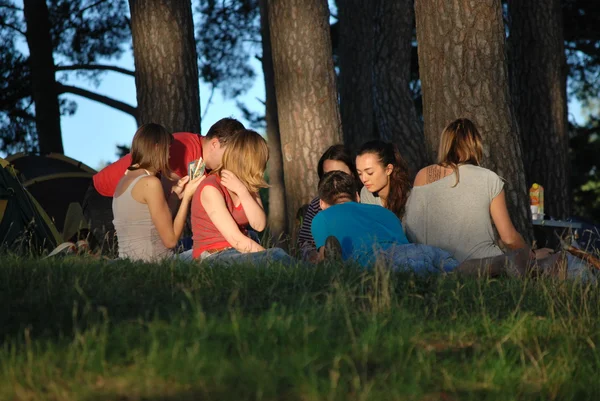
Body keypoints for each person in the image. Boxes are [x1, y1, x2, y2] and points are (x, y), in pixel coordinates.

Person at [403, 118, 556, 276]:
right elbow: (509, 238)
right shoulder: (489, 178)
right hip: (483, 266)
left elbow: (412, 229)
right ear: (475, 145)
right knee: (554, 258)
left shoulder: (423, 175)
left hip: (436, 265)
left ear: (445, 144)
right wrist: (530, 255)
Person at [83, 118, 244, 255]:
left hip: (123, 198)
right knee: (112, 252)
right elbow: (168, 233)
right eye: (230, 155)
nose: (231, 162)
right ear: (215, 144)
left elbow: (165, 209)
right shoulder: (185, 149)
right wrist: (186, 197)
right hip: (104, 195)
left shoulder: (207, 166)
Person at [311, 171, 458, 273]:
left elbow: (326, 257)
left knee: (423, 278)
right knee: (459, 272)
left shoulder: (321, 218)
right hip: (419, 250)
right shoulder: (385, 212)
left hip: (382, 261)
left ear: (322, 203)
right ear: (357, 197)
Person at [191, 129, 293, 265]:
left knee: (275, 256)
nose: (263, 168)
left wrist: (242, 191)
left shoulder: (247, 183)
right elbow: (236, 240)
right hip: (213, 256)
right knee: (276, 255)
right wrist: (268, 256)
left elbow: (259, 225)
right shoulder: (211, 188)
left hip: (239, 251)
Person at [112, 123, 204, 262]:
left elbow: (155, 222)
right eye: (167, 150)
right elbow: (171, 241)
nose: (168, 157)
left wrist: (175, 197)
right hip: (156, 262)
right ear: (157, 148)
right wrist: (187, 198)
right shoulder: (150, 183)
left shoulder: (123, 181)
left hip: (130, 263)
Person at [297, 144, 358, 261]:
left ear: (353, 174)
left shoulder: (364, 197)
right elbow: (305, 243)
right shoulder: (317, 204)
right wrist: (318, 257)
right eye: (327, 175)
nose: (333, 180)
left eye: (340, 174)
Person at [355, 140, 412, 219]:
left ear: (388, 169)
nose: (364, 179)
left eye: (370, 172)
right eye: (360, 173)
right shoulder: (366, 193)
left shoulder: (409, 198)